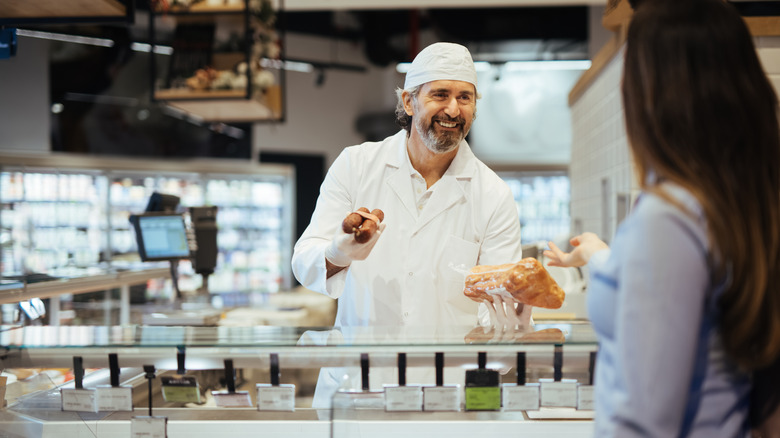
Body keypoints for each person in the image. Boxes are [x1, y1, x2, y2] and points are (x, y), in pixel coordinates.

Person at [543, 0, 780, 436]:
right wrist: (600, 256)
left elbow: (647, 421)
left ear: (656, 95)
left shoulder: (667, 219)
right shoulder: (734, 205)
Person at [292, 42, 524, 407]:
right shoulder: (356, 166)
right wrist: (340, 252)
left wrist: (510, 319)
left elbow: (498, 304)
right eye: (440, 94)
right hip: (360, 390)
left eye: (465, 97)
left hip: (446, 398)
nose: (453, 108)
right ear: (409, 102)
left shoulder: (493, 195)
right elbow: (305, 262)